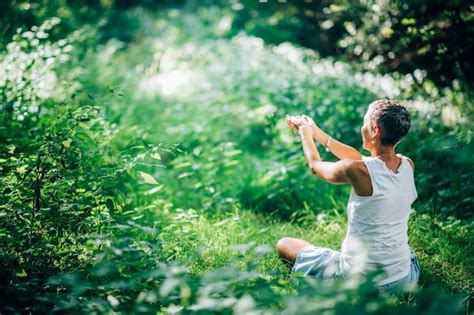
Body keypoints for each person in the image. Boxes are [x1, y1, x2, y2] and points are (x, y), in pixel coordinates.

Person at [277, 99, 420, 293]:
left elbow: (315, 166)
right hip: (404, 279)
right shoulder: (407, 165)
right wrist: (315, 131)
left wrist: (304, 131)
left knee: (285, 245)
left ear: (375, 130)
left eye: (365, 122)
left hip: (361, 281)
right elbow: (360, 160)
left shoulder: (356, 170)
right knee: (404, 251)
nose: (363, 127)